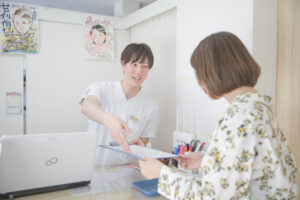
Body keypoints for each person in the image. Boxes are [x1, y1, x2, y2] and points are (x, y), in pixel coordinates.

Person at [139, 32, 297, 199]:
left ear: (215, 71)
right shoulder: (259, 105)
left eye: (200, 73)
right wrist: (208, 160)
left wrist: (162, 174)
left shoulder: (239, 118)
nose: (200, 82)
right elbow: (252, 166)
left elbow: (213, 196)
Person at [81, 43, 158, 167]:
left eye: (144, 66)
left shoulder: (151, 108)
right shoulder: (101, 88)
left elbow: (143, 142)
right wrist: (109, 120)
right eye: (134, 64)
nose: (138, 71)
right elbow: (87, 107)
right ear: (123, 64)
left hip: (124, 172)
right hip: (92, 167)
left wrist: (141, 147)